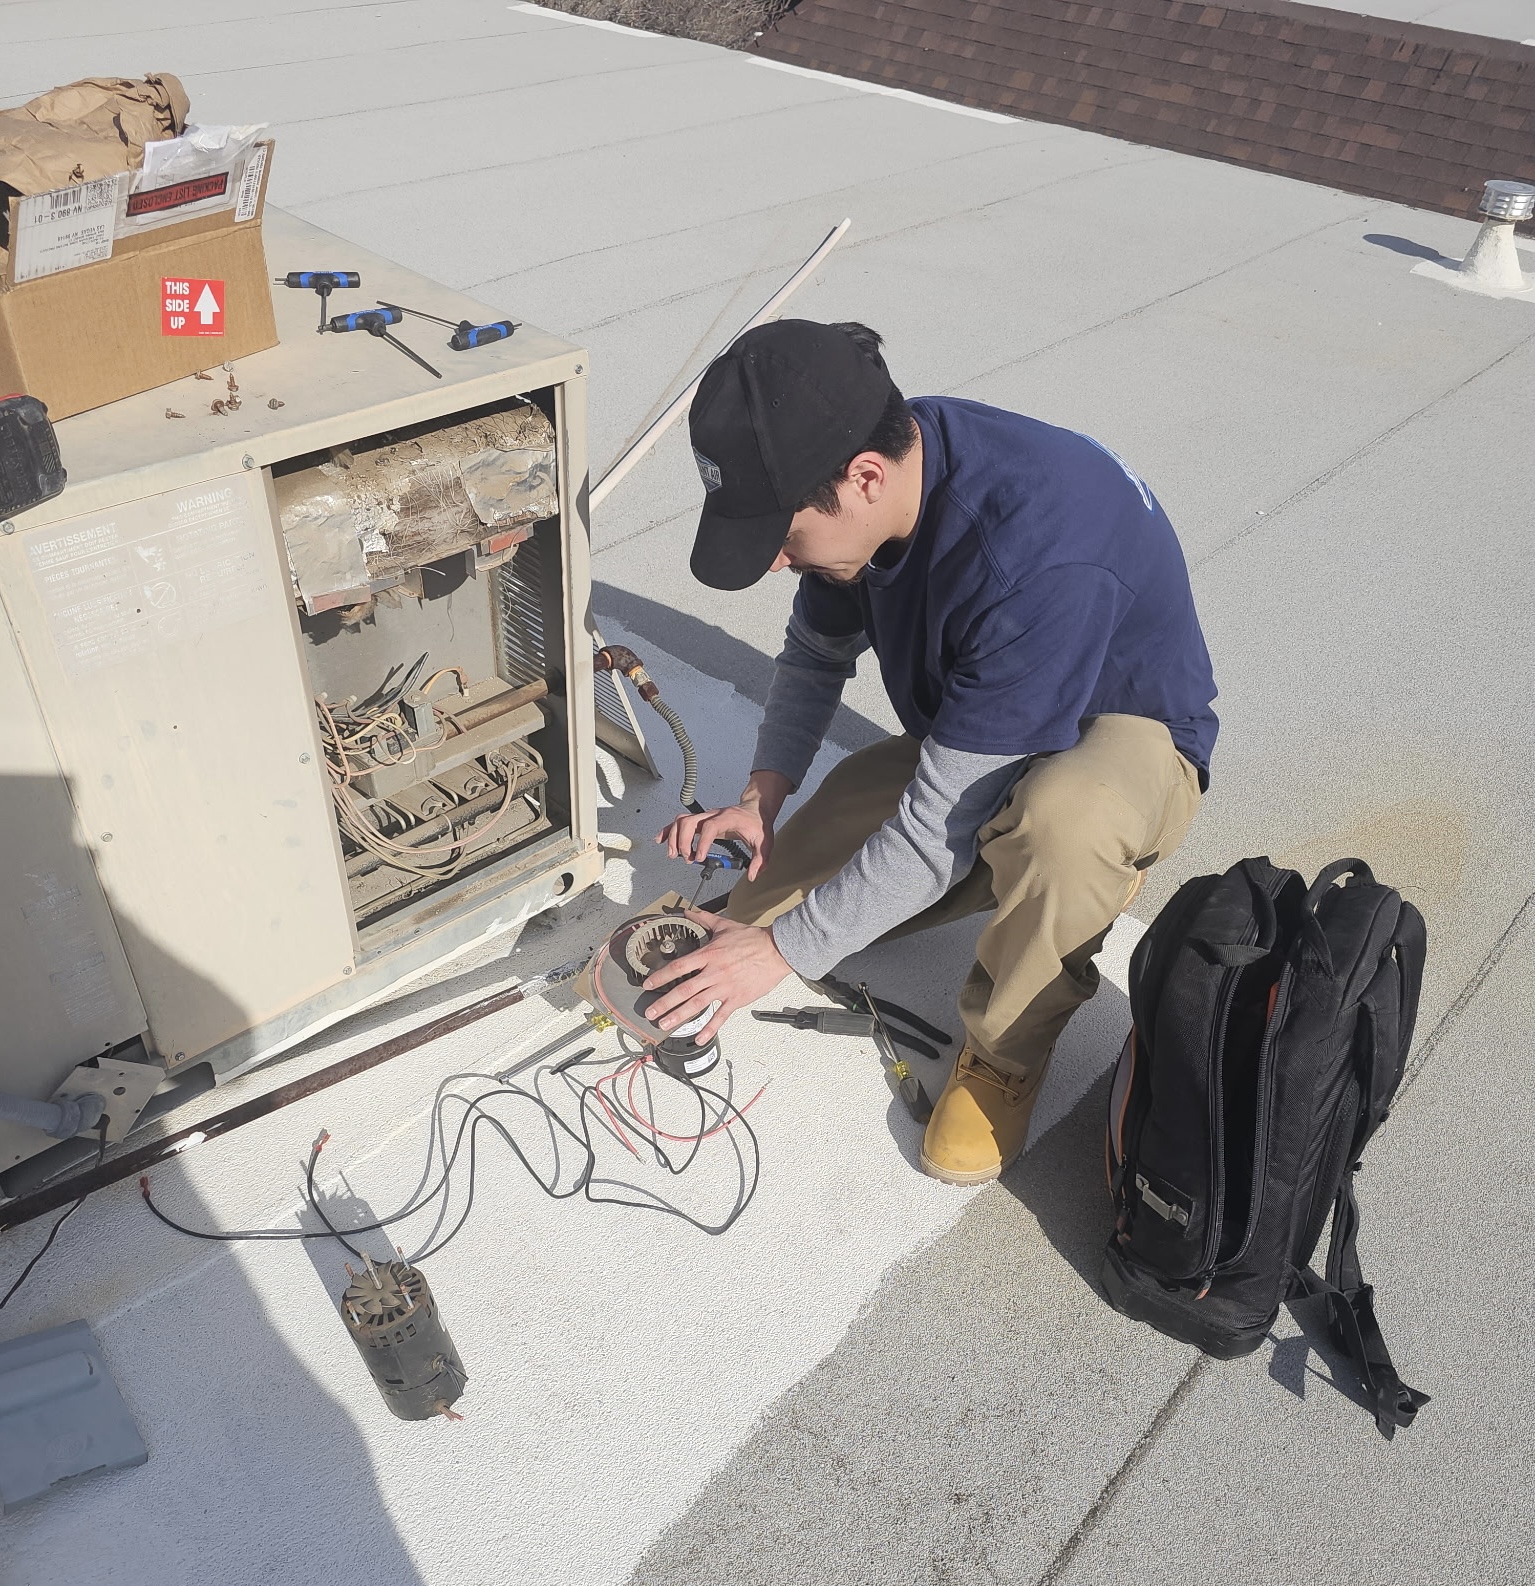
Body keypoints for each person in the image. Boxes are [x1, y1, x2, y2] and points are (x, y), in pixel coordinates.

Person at [644, 319, 1217, 1185]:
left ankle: (1008, 1048)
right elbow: (815, 656)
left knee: (1060, 826)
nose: (772, 562)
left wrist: (785, 952)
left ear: (863, 479)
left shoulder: (1035, 553)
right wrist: (761, 797)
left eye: (782, 536)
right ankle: (1009, 864)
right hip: (985, 727)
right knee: (780, 895)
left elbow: (934, 828)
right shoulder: (881, 462)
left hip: (1124, 739)